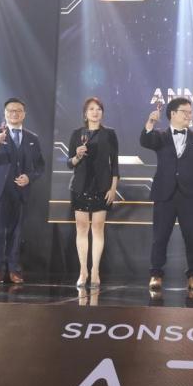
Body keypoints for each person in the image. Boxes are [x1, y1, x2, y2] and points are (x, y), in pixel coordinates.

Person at [140, 97, 193, 291]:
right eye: (185, 112)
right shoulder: (160, 137)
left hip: (191, 196)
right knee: (160, 237)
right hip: (165, 194)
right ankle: (156, 274)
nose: (189, 115)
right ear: (173, 114)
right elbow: (145, 140)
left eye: (190, 112)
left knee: (192, 237)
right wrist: (150, 122)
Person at [0, 98, 45, 285]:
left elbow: (40, 166)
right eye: (10, 110)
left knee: (17, 233)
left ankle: (14, 270)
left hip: (21, 191)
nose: (14, 113)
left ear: (24, 114)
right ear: (5, 113)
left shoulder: (32, 138)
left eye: (18, 110)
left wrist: (30, 177)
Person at [67, 97, 119, 288]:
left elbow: (115, 164)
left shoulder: (109, 134)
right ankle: (83, 271)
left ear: (102, 112)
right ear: (85, 113)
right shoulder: (77, 134)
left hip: (102, 187)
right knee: (81, 229)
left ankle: (95, 270)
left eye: (98, 109)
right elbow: (69, 163)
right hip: (80, 186)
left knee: (97, 229)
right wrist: (77, 156)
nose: (95, 112)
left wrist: (113, 188)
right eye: (91, 109)